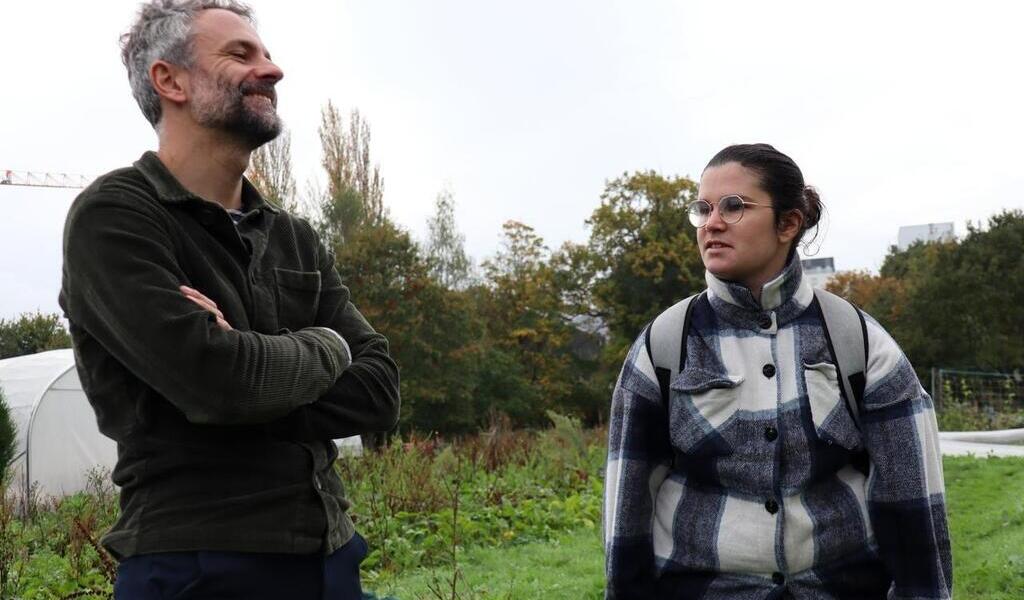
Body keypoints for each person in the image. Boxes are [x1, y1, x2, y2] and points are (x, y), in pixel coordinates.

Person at [58, 1, 400, 598]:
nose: (272, 70)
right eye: (240, 54)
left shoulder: (294, 235)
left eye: (265, 54)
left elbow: (381, 390)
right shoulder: (114, 217)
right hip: (196, 564)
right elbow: (219, 383)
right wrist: (327, 344)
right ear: (171, 80)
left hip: (331, 554)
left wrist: (243, 378)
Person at [603, 144, 952, 599]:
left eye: (734, 207)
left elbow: (914, 505)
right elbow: (626, 509)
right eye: (702, 208)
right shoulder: (664, 346)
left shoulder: (859, 343)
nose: (711, 223)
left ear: (788, 223)